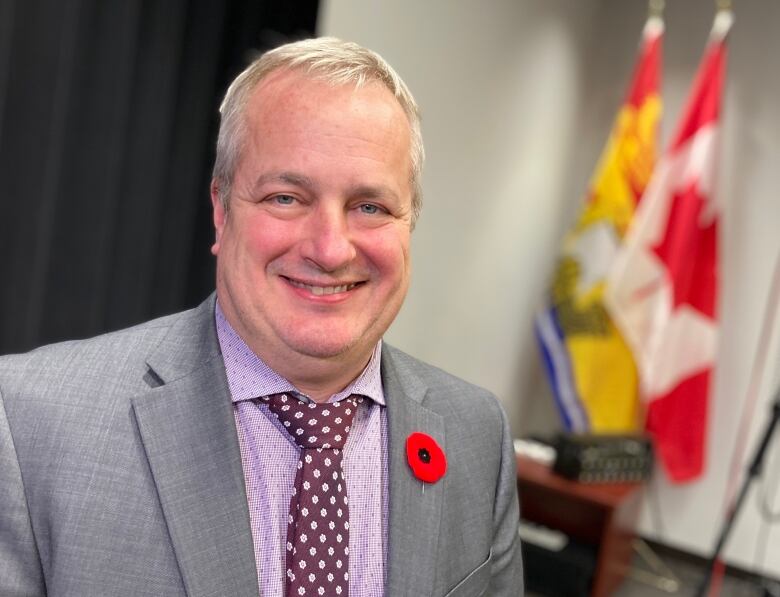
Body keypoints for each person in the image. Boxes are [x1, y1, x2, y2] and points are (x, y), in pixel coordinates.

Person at [0, 37, 522, 596]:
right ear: (221, 211)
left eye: (370, 206)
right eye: (286, 198)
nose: (330, 248)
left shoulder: (476, 434)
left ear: (410, 222)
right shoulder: (29, 422)